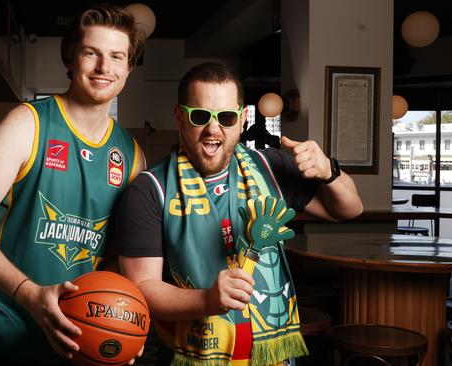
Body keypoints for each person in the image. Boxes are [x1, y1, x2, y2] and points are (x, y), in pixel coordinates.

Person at [116, 62, 363, 365]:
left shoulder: (270, 167)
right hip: (194, 354)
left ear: (243, 119)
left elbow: (349, 209)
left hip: (272, 356)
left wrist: (329, 172)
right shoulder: (150, 189)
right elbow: (142, 288)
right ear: (180, 117)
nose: (213, 129)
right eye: (200, 116)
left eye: (227, 117)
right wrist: (207, 300)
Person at [0, 4, 146, 365]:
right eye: (92, 53)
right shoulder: (27, 125)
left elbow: (118, 259)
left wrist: (123, 328)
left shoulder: (131, 156)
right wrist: (28, 293)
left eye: (117, 56)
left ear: (128, 68)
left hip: (76, 346)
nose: (104, 67)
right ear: (72, 59)